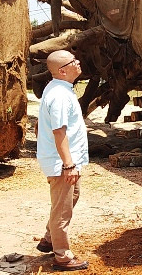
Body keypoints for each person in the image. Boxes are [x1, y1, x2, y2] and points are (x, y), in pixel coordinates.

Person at [34, 50, 89, 271]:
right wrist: (68, 164)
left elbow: (41, 125)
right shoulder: (59, 95)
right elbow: (59, 131)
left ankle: (49, 239)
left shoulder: (58, 88)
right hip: (61, 163)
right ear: (63, 70)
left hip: (63, 160)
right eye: (73, 61)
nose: (78, 62)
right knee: (62, 211)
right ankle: (62, 257)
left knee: (71, 197)